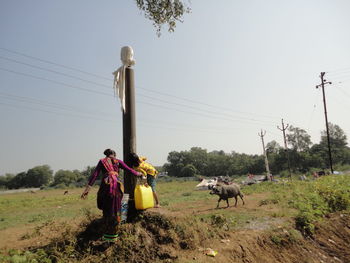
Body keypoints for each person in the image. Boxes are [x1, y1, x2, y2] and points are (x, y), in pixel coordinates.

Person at [81, 149, 141, 242]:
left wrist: (87, 190)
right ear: (114, 155)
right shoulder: (118, 161)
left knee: (107, 211)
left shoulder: (102, 161)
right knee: (121, 205)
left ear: (107, 155)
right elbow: (129, 170)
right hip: (117, 186)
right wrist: (138, 174)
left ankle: (108, 237)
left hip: (106, 188)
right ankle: (120, 229)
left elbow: (94, 175)